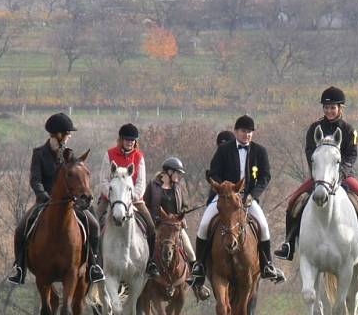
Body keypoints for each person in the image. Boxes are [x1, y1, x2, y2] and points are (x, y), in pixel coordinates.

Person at [274, 86, 358, 262]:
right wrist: (319, 174)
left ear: (340, 108)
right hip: (320, 177)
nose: (329, 111)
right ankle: (289, 245)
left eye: (333, 107)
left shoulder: (349, 130)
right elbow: (310, 152)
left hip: (344, 176)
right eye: (326, 108)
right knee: (293, 201)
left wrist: (341, 172)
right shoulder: (314, 128)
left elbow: (352, 155)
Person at [7, 112, 105, 285]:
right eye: (67, 134)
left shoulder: (69, 154)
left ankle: (94, 266)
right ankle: (19, 268)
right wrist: (42, 195)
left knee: (95, 226)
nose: (68, 138)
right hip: (44, 202)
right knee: (21, 228)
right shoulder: (39, 153)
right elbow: (35, 179)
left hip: (70, 203)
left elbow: (76, 176)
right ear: (58, 135)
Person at [191, 115, 285, 286]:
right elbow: (214, 173)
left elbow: (265, 177)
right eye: (243, 131)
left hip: (247, 198)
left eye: (250, 132)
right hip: (225, 198)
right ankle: (199, 266)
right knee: (204, 224)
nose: (247, 135)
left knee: (263, 226)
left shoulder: (260, 151)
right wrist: (223, 188)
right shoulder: (224, 150)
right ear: (236, 132)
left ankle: (267, 265)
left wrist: (252, 195)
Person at [143, 156, 210, 300]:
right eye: (177, 173)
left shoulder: (177, 187)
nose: (179, 176)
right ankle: (141, 281)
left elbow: (184, 205)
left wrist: (182, 214)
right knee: (145, 251)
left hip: (174, 228)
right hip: (158, 227)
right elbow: (145, 203)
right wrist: (153, 217)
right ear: (169, 172)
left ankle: (197, 286)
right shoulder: (153, 186)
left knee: (191, 253)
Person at [96, 123, 158, 277]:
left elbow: (141, 183)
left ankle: (150, 262)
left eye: (133, 140)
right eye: (127, 139)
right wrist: (112, 197)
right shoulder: (109, 154)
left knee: (151, 226)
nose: (130, 142)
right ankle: (95, 262)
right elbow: (103, 181)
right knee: (95, 223)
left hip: (133, 200)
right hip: (110, 198)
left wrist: (130, 198)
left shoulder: (139, 157)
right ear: (121, 139)